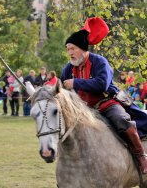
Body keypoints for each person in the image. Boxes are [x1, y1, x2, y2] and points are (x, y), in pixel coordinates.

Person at [61, 17, 147, 174]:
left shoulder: (100, 62)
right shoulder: (67, 69)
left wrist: (76, 83)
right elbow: (62, 91)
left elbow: (102, 84)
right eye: (68, 49)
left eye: (73, 48)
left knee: (122, 120)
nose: (70, 53)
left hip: (106, 103)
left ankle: (141, 156)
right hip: (82, 110)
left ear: (83, 48)